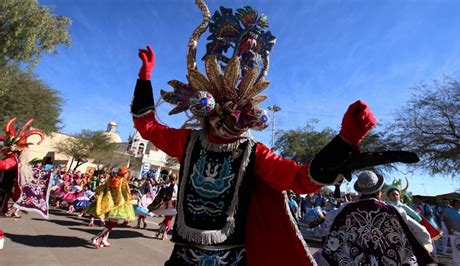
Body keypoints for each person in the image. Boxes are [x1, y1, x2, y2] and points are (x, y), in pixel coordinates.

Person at [131, 1, 420, 264]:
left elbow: (300, 178)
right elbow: (148, 127)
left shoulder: (254, 153)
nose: (232, 119)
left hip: (232, 258)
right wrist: (145, 78)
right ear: (209, 109)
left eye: (240, 113)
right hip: (183, 255)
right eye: (225, 111)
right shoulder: (189, 141)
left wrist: (345, 139)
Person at [320, 171, 434, 265]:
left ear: (359, 192)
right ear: (379, 192)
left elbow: (328, 221)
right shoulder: (395, 210)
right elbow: (423, 234)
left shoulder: (345, 209)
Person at [0, 118, 44, 216]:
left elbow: (4, 165)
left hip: (3, 190)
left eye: (9, 146)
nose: (5, 147)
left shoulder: (13, 160)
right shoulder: (7, 156)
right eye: (6, 145)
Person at [89, 166, 136, 248]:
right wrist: (132, 199)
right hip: (119, 204)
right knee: (111, 224)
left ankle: (104, 240)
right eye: (127, 174)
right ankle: (95, 238)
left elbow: (102, 188)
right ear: (125, 174)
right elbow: (126, 193)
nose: (128, 175)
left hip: (110, 203)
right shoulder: (123, 181)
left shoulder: (111, 179)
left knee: (111, 223)